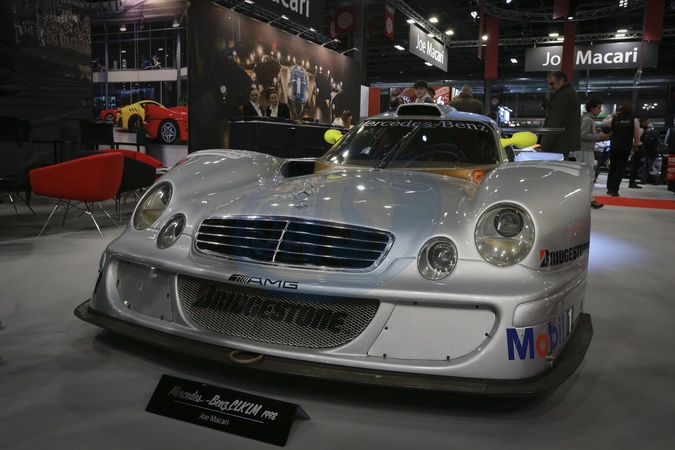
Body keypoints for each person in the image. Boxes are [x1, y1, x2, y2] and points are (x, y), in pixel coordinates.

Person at [540, 70, 581, 161]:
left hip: (558, 144)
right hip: (565, 144)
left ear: (561, 81)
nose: (550, 87)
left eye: (552, 84)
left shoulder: (562, 96)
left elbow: (554, 123)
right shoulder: (571, 93)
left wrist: (544, 146)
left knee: (553, 168)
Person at [602, 102, 640, 197]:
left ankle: (609, 188)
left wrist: (612, 115)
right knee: (620, 168)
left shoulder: (615, 119)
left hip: (614, 145)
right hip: (626, 146)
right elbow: (637, 135)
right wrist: (636, 145)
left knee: (612, 167)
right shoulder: (634, 120)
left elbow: (604, 122)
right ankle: (615, 190)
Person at [579, 98, 610, 209]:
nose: (600, 110)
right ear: (592, 108)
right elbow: (583, 136)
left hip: (585, 149)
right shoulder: (587, 119)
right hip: (584, 150)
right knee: (588, 175)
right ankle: (589, 200)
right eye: (598, 108)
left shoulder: (587, 119)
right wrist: (599, 137)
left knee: (586, 175)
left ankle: (585, 199)